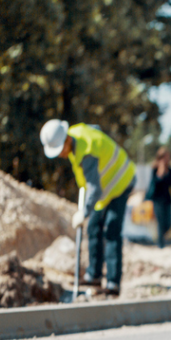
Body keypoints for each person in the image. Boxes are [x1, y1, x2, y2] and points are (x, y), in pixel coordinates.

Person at [40, 119, 136, 295]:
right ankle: (94, 276)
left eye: (60, 149)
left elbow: (94, 188)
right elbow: (96, 129)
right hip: (105, 190)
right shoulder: (76, 135)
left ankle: (113, 283)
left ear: (67, 140)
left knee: (112, 230)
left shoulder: (86, 152)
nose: (60, 154)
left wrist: (84, 211)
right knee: (93, 227)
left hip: (121, 181)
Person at [146, 147, 171, 249]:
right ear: (160, 158)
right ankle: (161, 245)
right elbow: (153, 184)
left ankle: (161, 241)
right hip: (157, 200)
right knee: (160, 223)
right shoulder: (154, 170)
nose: (167, 159)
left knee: (168, 223)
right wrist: (160, 174)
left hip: (167, 200)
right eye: (166, 157)